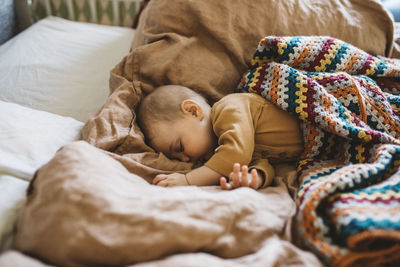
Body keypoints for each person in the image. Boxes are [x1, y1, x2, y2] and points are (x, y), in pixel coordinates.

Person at [137, 85, 303, 190]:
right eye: (176, 158)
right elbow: (261, 163)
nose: (185, 159)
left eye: (179, 147)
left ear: (193, 111)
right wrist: (253, 177)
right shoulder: (218, 153)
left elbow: (237, 153)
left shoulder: (228, 109)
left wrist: (188, 180)